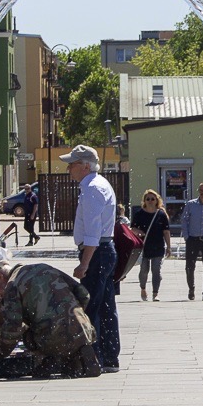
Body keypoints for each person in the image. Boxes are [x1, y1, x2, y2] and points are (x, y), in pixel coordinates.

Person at [0, 261, 100, 378]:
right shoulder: (44, 267)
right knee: (67, 328)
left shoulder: (12, 286)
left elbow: (12, 329)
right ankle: (78, 353)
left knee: (27, 332)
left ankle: (51, 359)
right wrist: (75, 314)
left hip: (52, 337)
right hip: (83, 330)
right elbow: (84, 294)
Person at [62, 145, 119, 372]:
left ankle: (93, 360)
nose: (68, 168)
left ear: (85, 166)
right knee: (106, 306)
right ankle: (109, 358)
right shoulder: (99, 184)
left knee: (91, 307)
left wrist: (84, 264)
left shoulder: (92, 189)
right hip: (104, 251)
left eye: (72, 164)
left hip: (97, 253)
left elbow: (93, 234)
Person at [131, 189, 172, 302]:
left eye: (152, 199)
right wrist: (139, 231)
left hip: (158, 246)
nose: (150, 201)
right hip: (144, 247)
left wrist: (168, 246)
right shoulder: (139, 214)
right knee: (144, 270)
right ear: (144, 200)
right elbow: (132, 228)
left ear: (156, 201)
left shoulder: (161, 214)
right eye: (147, 199)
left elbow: (166, 231)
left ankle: (155, 293)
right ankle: (143, 288)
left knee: (156, 270)